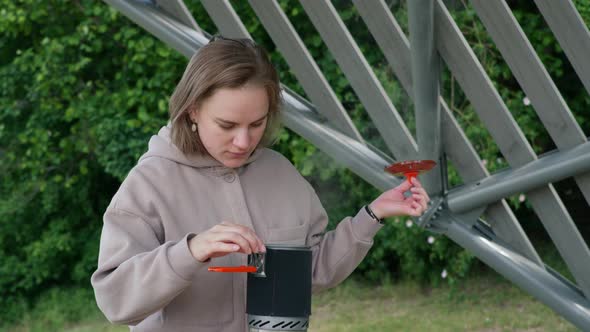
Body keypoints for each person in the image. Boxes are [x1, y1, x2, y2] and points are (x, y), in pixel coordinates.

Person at [91, 37, 430, 332]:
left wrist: (373, 214)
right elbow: (116, 301)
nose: (243, 141)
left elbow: (310, 273)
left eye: (257, 123)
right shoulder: (149, 184)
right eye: (227, 124)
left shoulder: (280, 173)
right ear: (192, 110)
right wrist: (190, 251)